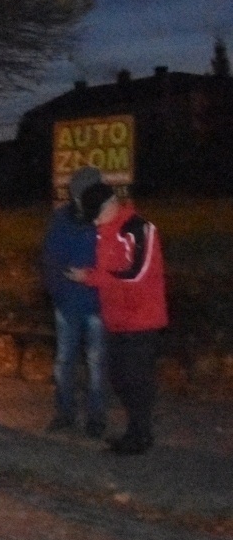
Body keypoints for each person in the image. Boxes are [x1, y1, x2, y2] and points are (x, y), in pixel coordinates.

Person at [70, 181, 168, 455]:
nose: (95, 221)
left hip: (142, 318)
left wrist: (90, 277)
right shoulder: (106, 231)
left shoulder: (139, 229)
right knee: (119, 377)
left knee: (135, 378)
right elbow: (112, 270)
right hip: (116, 317)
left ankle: (139, 435)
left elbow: (135, 273)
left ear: (110, 205)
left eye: (96, 214)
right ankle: (137, 431)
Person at [41, 166, 107, 436]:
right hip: (68, 303)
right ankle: (65, 412)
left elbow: (113, 261)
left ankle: (96, 418)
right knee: (64, 361)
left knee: (96, 363)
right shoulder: (62, 219)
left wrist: (92, 279)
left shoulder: (104, 219)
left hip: (97, 304)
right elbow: (49, 259)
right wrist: (58, 292)